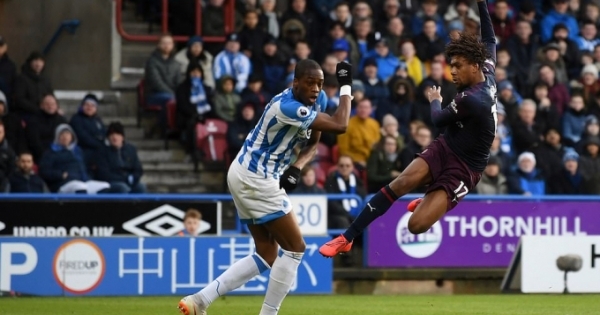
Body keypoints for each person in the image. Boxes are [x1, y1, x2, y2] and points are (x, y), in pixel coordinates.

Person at [320, 0, 498, 256]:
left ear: (474, 65)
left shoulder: (472, 99)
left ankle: (432, 199)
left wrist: (435, 100)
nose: (453, 72)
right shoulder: (488, 68)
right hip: (446, 146)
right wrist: (482, 4)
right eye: (452, 66)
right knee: (399, 183)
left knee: (415, 225)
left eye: (458, 66)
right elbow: (490, 37)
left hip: (466, 168)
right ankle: (346, 237)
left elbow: (437, 119)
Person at [178, 59, 354, 315]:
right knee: (295, 248)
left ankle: (199, 300)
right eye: (309, 83)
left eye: (320, 83)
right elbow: (341, 125)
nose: (316, 89)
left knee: (266, 253)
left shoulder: (317, 102)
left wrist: (296, 167)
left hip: (245, 173)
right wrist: (346, 86)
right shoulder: (287, 106)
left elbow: (312, 145)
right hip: (256, 177)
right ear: (295, 83)